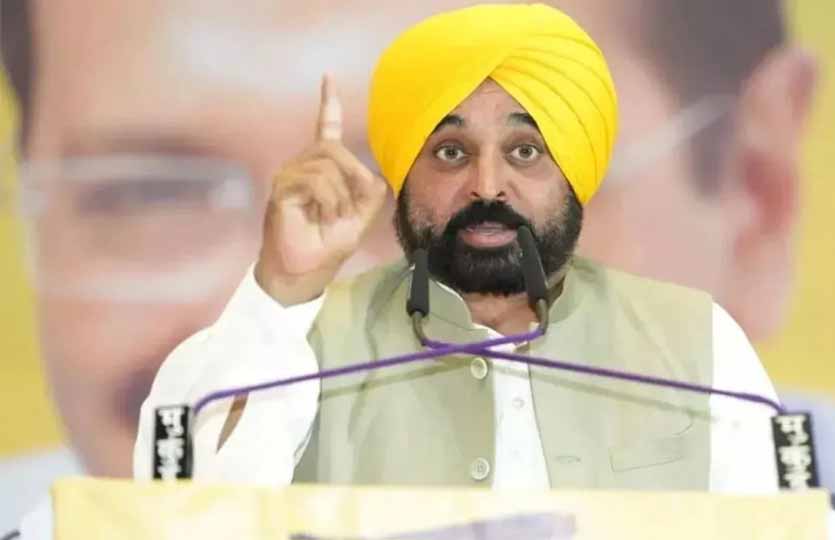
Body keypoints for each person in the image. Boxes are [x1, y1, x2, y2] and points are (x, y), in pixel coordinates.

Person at [132, 4, 779, 492]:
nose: (487, 184)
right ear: (402, 176)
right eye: (449, 152)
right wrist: (281, 292)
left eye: (525, 151)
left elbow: (778, 526)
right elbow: (178, 516)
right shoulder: (295, 336)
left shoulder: (696, 342)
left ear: (575, 174)